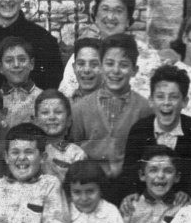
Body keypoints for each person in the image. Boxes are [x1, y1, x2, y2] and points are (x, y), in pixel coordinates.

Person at [120, 64, 191, 201]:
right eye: (160, 96)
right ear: (151, 100)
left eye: (173, 97)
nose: (166, 103)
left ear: (184, 102)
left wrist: (189, 195)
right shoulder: (139, 130)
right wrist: (132, 193)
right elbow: (129, 174)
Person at [58, 0, 168, 99]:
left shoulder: (147, 57)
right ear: (95, 15)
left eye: (118, 11)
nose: (110, 17)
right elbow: (65, 99)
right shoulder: (83, 54)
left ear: (128, 19)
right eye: (105, 9)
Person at [69, 34, 153, 179]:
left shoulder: (144, 108)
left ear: (135, 70)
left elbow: (146, 155)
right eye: (109, 63)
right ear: (101, 66)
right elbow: (72, 150)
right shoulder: (80, 108)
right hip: (90, 183)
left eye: (124, 65)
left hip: (128, 184)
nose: (116, 70)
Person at [35, 89, 86, 184]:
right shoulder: (31, 150)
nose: (52, 117)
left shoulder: (76, 154)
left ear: (69, 120)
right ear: (36, 120)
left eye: (58, 112)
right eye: (45, 113)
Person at [0, 37, 43, 126]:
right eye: (9, 60)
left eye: (22, 59)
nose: (16, 65)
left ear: (31, 64)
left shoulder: (43, 98)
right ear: (0, 67)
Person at [64, 37, 103, 103]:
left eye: (94, 64)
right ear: (74, 67)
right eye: (81, 64)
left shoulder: (114, 105)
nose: (86, 70)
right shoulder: (65, 106)